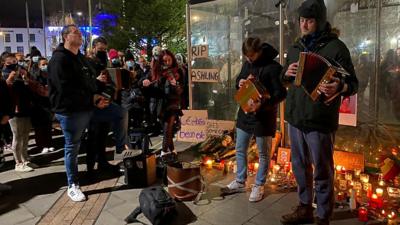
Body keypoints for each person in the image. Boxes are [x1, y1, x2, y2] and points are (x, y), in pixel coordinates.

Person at [280, 1, 358, 224]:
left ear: (320, 21)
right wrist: (286, 73)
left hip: (320, 120)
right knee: (299, 167)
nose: (304, 25)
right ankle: (304, 208)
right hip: (295, 118)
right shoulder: (295, 48)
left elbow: (353, 83)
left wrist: (341, 87)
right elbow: (283, 80)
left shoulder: (337, 48)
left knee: (322, 170)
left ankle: (323, 216)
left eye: (310, 20)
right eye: (302, 20)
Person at [48, 24, 134, 202]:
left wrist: (100, 93)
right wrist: (93, 99)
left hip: (89, 106)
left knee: (120, 113)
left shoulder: (81, 58)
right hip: (71, 111)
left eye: (80, 33)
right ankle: (73, 185)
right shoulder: (59, 60)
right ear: (66, 37)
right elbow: (65, 90)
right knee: (72, 146)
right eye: (76, 32)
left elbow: (90, 82)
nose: (80, 35)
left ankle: (121, 149)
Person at [223, 37, 287, 202]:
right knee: (240, 148)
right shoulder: (247, 64)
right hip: (245, 113)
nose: (248, 59)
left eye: (251, 56)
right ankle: (240, 180)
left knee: (263, 153)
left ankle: (259, 184)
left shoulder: (273, 67)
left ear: (259, 52)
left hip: (263, 116)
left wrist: (264, 101)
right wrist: (241, 82)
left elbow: (281, 94)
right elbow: (238, 81)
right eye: (246, 57)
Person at [142, 50, 184, 160]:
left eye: (169, 60)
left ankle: (164, 152)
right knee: (166, 130)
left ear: (173, 59)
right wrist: (144, 82)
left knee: (167, 128)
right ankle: (173, 150)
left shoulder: (178, 70)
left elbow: (181, 91)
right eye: (164, 61)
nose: (167, 63)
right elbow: (142, 82)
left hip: (172, 103)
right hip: (159, 105)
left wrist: (175, 85)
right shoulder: (156, 71)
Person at [2, 52, 34, 172]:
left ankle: (25, 158)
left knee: (26, 133)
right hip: (14, 108)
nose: (13, 64)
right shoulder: (4, 73)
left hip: (25, 105)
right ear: (4, 62)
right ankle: (18, 162)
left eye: (14, 61)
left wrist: (26, 78)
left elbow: (27, 85)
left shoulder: (21, 70)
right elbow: (4, 89)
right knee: (17, 134)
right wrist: (10, 79)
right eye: (9, 62)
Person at [30, 57, 54, 153]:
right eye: (43, 64)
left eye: (46, 64)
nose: (45, 66)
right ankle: (41, 145)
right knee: (40, 127)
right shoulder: (36, 76)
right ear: (39, 66)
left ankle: (49, 144)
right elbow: (37, 90)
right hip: (39, 105)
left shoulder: (50, 75)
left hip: (49, 104)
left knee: (48, 125)